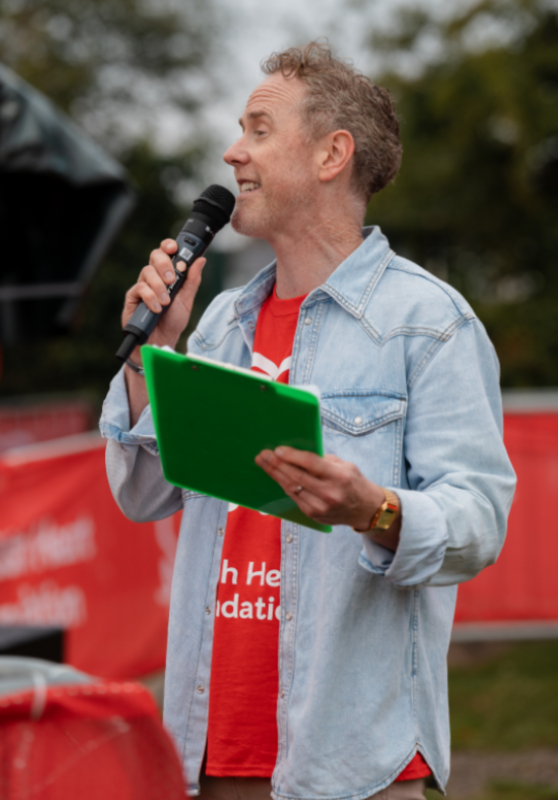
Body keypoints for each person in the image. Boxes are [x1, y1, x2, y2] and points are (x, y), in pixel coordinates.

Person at [100, 42, 516, 800]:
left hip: (350, 762)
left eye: (259, 129)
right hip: (213, 752)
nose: (232, 153)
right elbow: (143, 495)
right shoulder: (222, 322)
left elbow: (479, 518)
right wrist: (149, 352)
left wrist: (376, 511)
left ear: (332, 155)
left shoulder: (427, 323)